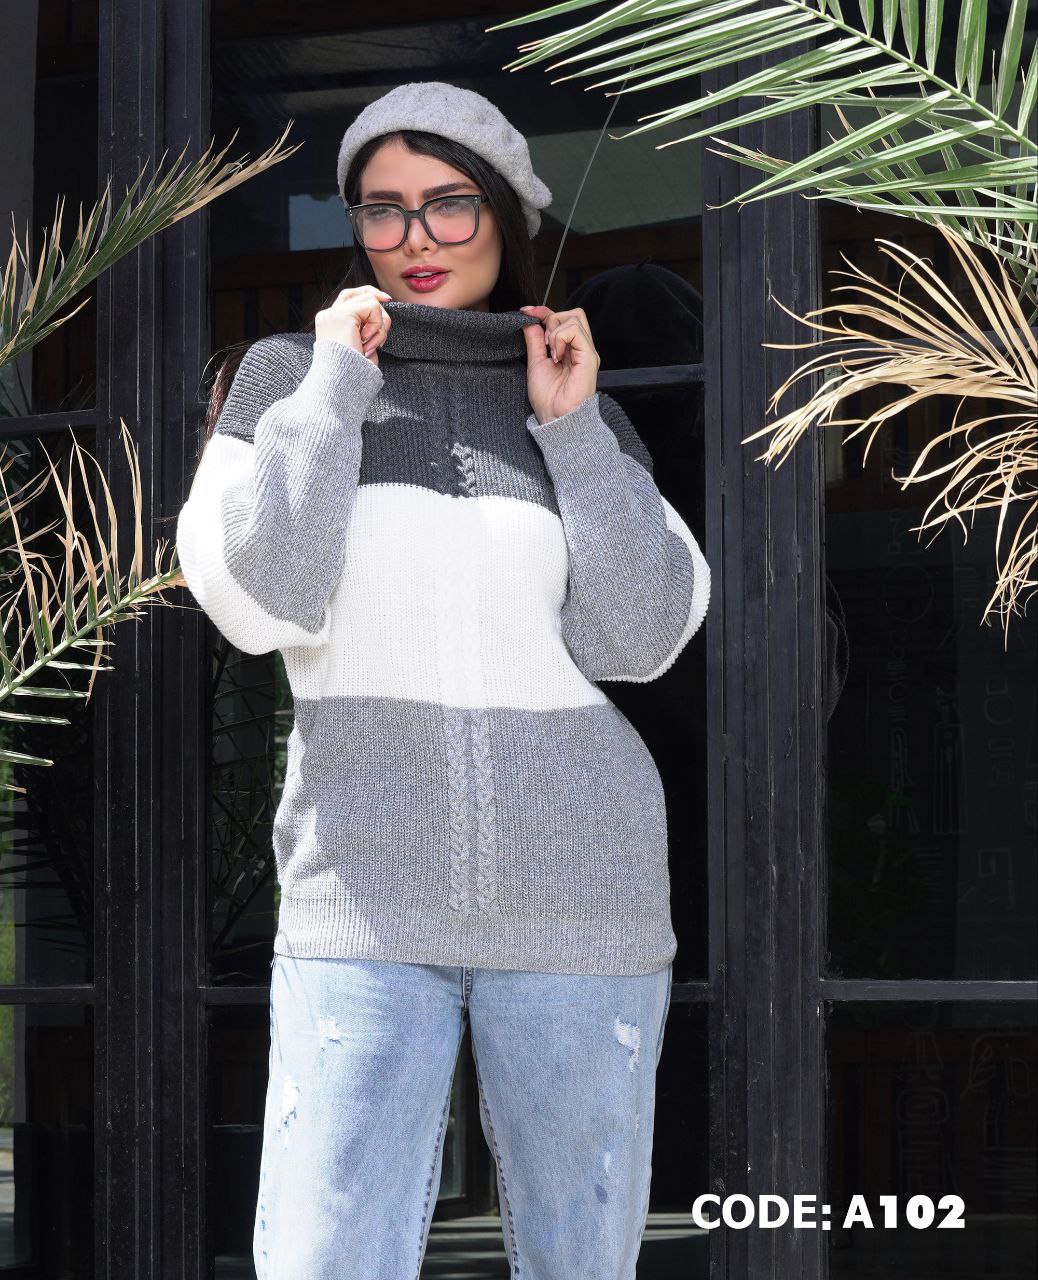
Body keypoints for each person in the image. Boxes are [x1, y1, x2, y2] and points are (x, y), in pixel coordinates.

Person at [176, 80, 711, 1280]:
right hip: (363, 906)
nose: (416, 236)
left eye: (449, 203)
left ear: (506, 215)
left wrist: (574, 430)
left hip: (584, 900)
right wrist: (335, 388)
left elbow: (639, 638)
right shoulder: (287, 380)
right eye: (385, 208)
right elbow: (260, 602)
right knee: (324, 1256)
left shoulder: (576, 406)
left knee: (581, 1261)